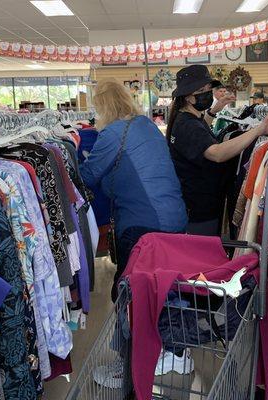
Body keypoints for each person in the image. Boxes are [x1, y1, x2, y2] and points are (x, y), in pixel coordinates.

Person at [80, 79, 188, 302]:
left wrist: (72, 161)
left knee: (129, 295)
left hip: (143, 223)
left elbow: (88, 176)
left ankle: (137, 335)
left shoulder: (112, 133)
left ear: (102, 106)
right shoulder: (147, 124)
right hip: (175, 217)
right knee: (164, 288)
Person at [167, 65, 268, 236]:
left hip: (198, 203)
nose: (207, 93)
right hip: (200, 209)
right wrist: (258, 130)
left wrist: (213, 111)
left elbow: (199, 138)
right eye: (201, 90)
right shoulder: (187, 125)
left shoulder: (186, 118)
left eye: (209, 89)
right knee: (203, 255)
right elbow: (217, 153)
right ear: (188, 97)